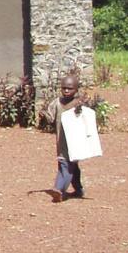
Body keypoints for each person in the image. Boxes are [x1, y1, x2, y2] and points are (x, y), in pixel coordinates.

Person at [49, 74, 87, 202]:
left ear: (76, 89)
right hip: (61, 141)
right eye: (64, 88)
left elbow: (87, 120)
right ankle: (78, 189)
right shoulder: (57, 103)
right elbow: (50, 117)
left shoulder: (79, 104)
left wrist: (80, 110)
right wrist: (44, 116)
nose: (66, 91)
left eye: (69, 88)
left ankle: (59, 189)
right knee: (71, 166)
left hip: (74, 141)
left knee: (66, 165)